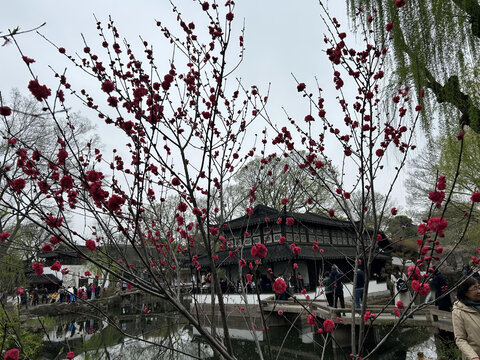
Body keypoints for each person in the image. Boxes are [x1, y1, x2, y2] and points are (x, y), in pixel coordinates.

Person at [452, 277, 480, 360]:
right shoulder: (458, 311)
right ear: (465, 292)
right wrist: (473, 357)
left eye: (479, 287)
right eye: (474, 288)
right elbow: (460, 339)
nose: (479, 291)